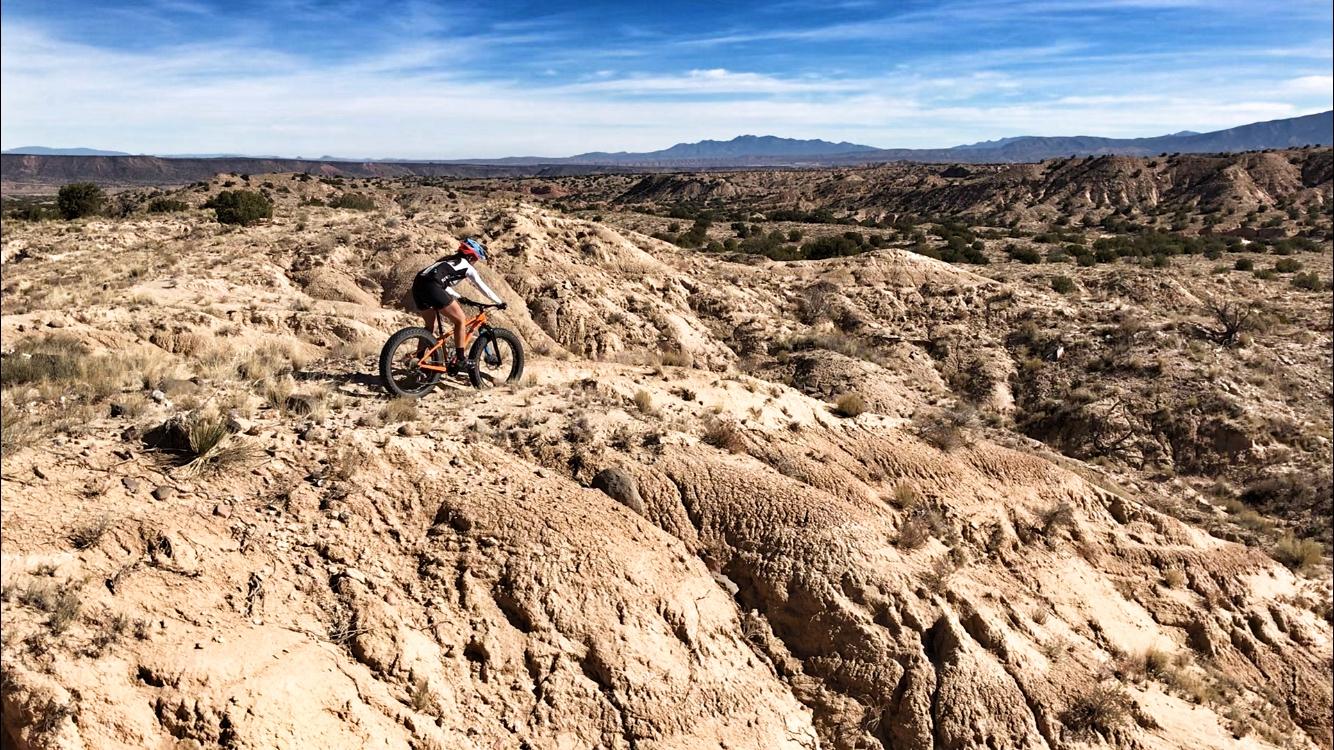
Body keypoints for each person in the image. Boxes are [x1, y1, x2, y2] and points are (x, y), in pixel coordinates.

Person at [411, 238, 506, 371]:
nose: (475, 262)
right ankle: (461, 359)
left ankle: (418, 359)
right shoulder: (467, 266)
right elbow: (482, 287)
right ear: (471, 256)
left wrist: (459, 297)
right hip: (432, 286)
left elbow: (442, 283)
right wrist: (499, 302)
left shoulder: (446, 260)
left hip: (418, 284)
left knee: (429, 326)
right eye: (476, 259)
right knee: (460, 320)